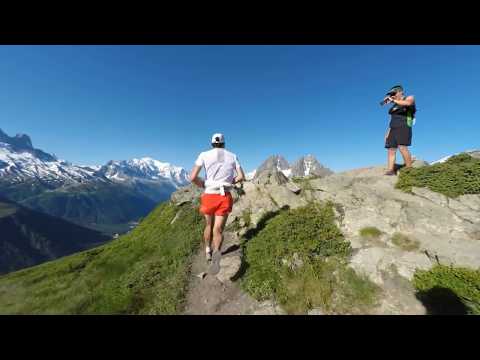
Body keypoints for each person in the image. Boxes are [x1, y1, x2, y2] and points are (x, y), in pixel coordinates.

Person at [189, 133, 245, 275]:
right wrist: (230, 182)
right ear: (224, 143)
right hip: (224, 195)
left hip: (209, 195)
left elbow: (192, 177)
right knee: (218, 229)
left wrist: (202, 184)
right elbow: (241, 176)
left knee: (208, 225)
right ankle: (217, 253)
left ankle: (207, 251)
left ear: (212, 143)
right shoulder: (232, 156)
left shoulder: (204, 155)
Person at [382, 85, 416, 176]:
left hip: (403, 126)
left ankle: (409, 168)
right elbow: (392, 119)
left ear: (400, 92)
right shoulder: (394, 106)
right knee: (391, 149)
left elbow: (408, 103)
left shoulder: (409, 97)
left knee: (402, 147)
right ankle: (390, 170)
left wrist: (393, 100)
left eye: (393, 93)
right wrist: (387, 132)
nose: (392, 95)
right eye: (391, 94)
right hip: (393, 127)